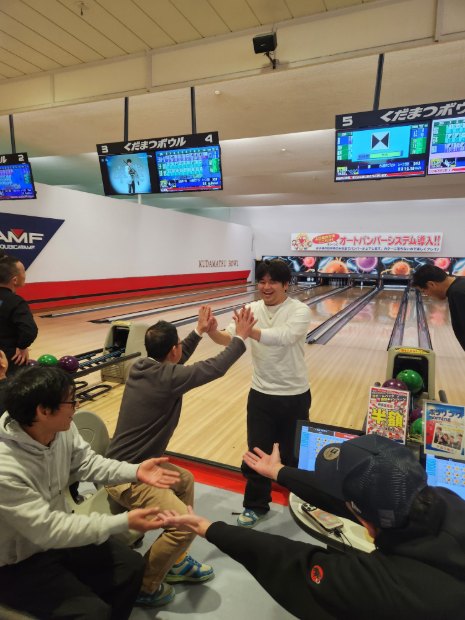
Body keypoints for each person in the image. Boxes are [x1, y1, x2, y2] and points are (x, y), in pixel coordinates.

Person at [161, 435, 465, 620]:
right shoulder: (444, 500)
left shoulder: (384, 588)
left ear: (365, 521)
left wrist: (210, 528)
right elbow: (344, 498)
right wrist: (279, 472)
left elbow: (289, 559)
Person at [0, 365, 181, 620]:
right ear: (43, 411)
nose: (77, 406)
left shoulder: (60, 429)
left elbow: (87, 463)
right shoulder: (6, 468)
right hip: (15, 562)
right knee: (93, 612)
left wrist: (136, 471)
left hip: (56, 540)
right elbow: (48, 530)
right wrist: (123, 522)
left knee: (131, 566)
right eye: (71, 401)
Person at [105, 304, 256, 607]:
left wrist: (198, 331)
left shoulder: (142, 367)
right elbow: (215, 367)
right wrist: (241, 337)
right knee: (184, 525)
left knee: (184, 479)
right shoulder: (168, 377)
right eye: (177, 348)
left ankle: (175, 560)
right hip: (125, 478)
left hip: (131, 467)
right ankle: (144, 586)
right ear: (172, 351)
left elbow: (177, 359)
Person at [208, 259, 312, 527]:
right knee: (257, 452)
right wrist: (212, 331)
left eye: (272, 282)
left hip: (294, 394)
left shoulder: (299, 311)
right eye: (262, 281)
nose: (266, 287)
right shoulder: (252, 309)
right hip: (261, 394)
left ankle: (301, 500)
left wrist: (247, 331)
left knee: (293, 454)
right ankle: (255, 505)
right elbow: (230, 337)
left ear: (286, 284)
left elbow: (283, 337)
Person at [412, 264, 465, 350]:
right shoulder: (458, 286)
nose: (426, 295)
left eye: (424, 291)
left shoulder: (458, 293)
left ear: (431, 284)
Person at [0, 255, 38, 374]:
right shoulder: (16, 302)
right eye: (23, 272)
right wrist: (22, 346)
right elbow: (29, 330)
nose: (25, 275)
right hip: (9, 358)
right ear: (15, 280)